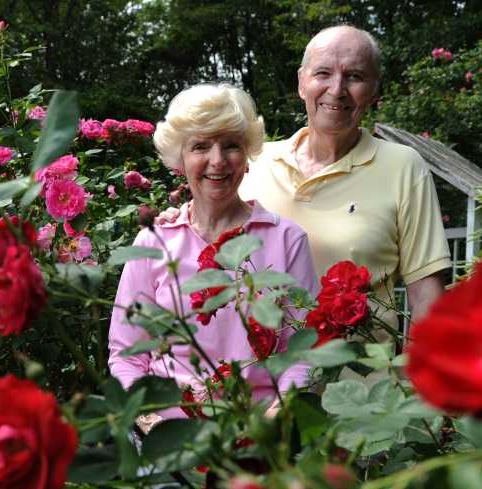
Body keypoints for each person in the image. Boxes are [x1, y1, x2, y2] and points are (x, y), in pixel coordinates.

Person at [160, 26, 451, 334]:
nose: (337, 89)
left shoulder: (402, 167)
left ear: (374, 90)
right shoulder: (253, 162)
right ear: (301, 82)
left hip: (358, 377)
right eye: (323, 73)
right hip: (262, 377)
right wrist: (177, 220)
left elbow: (426, 295)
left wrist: (413, 378)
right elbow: (205, 232)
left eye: (354, 76)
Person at [108, 84, 319, 430]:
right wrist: (149, 424)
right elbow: (126, 353)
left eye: (231, 145)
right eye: (201, 146)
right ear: (181, 160)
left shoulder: (287, 240)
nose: (218, 160)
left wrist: (269, 424)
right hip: (166, 437)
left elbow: (303, 353)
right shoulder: (153, 242)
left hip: (260, 436)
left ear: (247, 156)